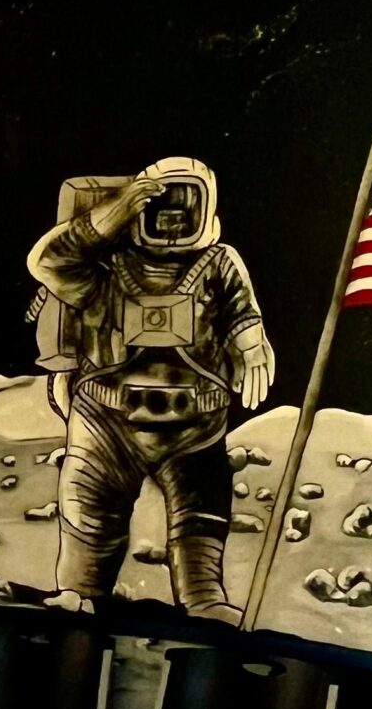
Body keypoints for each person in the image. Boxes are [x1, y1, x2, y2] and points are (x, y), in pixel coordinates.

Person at [26, 156, 274, 620]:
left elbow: (242, 311)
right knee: (90, 511)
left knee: (200, 515)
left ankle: (204, 601)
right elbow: (47, 262)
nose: (174, 221)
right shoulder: (106, 267)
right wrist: (111, 215)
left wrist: (253, 345)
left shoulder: (218, 264)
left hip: (195, 427)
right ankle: (80, 592)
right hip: (108, 423)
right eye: (161, 209)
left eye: (186, 208)